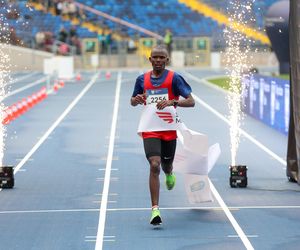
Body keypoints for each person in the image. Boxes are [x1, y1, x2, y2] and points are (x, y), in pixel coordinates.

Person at [130, 45, 195, 225]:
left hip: (168, 129)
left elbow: (191, 101)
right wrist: (136, 100)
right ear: (150, 59)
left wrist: (172, 101)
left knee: (166, 165)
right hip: (149, 128)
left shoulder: (175, 78)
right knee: (154, 164)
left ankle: (169, 173)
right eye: (155, 57)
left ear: (167, 60)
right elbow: (133, 101)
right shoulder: (141, 79)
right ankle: (155, 210)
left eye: (161, 58)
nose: (158, 60)